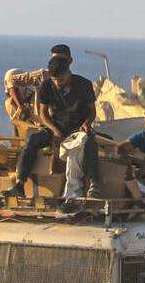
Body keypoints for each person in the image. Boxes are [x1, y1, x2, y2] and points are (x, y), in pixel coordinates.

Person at [6, 51, 97, 202]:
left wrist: (86, 124)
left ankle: (90, 186)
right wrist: (55, 131)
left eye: (60, 79)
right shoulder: (46, 85)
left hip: (77, 128)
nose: (57, 83)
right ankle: (20, 184)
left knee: (85, 144)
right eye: (54, 80)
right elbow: (43, 114)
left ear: (68, 72)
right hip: (55, 126)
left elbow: (92, 112)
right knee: (32, 140)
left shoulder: (84, 85)